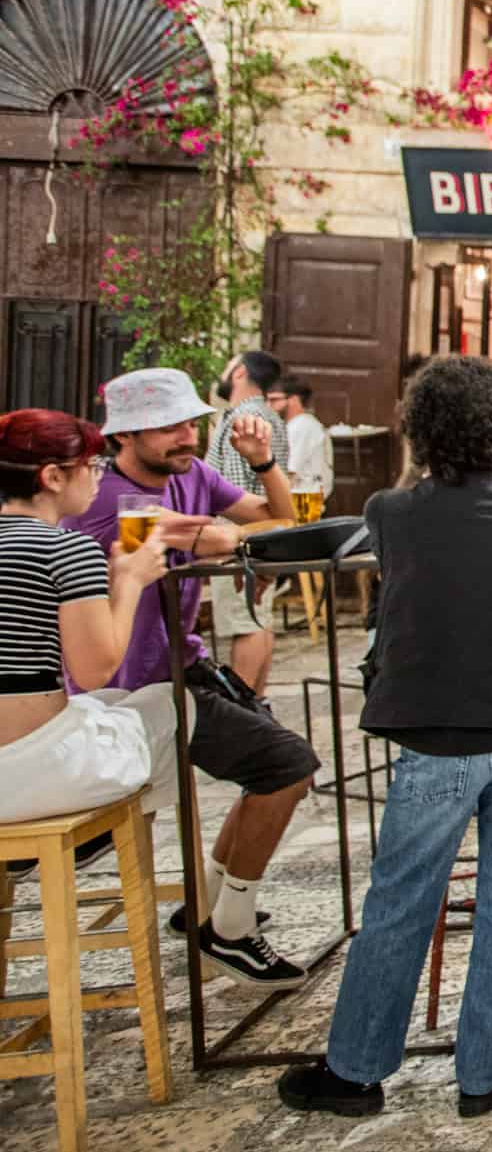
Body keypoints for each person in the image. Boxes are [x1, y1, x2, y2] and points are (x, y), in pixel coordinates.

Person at [276, 356, 492, 1122]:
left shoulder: (392, 510)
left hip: (438, 731)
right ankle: (483, 1071)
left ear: (418, 430)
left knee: (402, 898)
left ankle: (356, 1070)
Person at [63, 367, 315, 987]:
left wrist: (262, 463)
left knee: (282, 767)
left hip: (185, 666)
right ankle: (227, 929)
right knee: (287, 766)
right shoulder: (102, 497)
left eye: (191, 424)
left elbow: (281, 526)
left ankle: (209, 905)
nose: (187, 437)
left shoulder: (194, 475)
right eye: (169, 427)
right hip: (122, 688)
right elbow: (222, 537)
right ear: (125, 436)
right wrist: (219, 533)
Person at [0, 411, 175, 849]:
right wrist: (130, 581)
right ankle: (98, 842)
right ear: (54, 477)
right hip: (27, 772)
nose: (98, 477)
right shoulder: (67, 549)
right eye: (91, 466)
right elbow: (93, 670)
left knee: (116, 704)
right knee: (173, 706)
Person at [204, 349, 293, 695]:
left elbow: (237, 489)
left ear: (239, 372)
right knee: (258, 619)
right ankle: (257, 703)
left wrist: (235, 538)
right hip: (265, 534)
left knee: (245, 623)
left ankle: (241, 707)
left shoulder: (242, 419)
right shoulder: (268, 415)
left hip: (243, 536)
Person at [268, 374, 333, 499]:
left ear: (294, 400)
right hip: (302, 497)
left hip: (304, 500)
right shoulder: (299, 424)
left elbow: (288, 472)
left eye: (274, 400)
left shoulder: (302, 426)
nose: (269, 405)